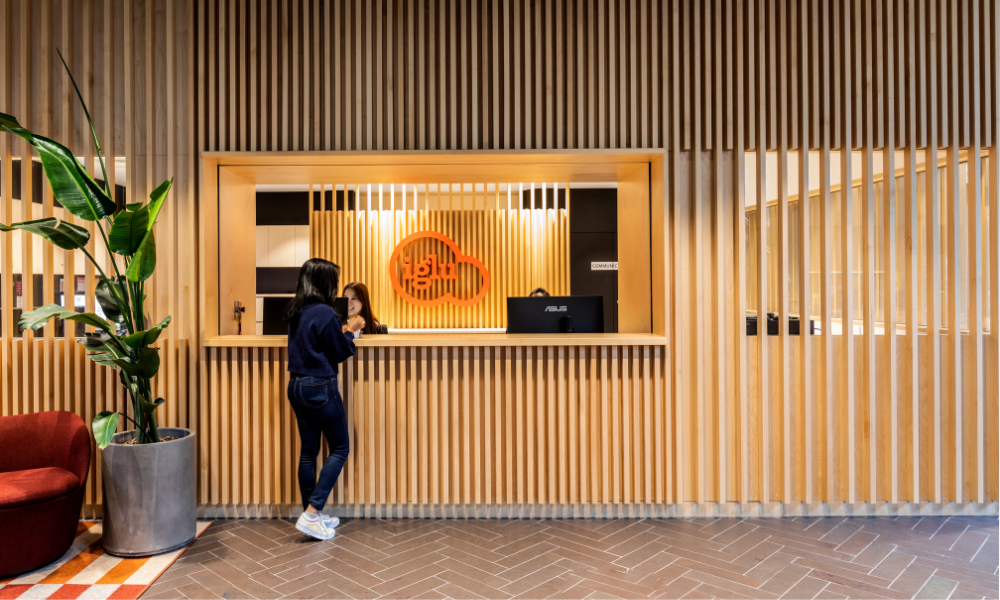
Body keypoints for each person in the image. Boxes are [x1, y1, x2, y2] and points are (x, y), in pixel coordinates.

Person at [284, 258, 364, 540]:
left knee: (309, 452)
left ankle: (311, 514)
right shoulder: (326, 313)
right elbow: (340, 351)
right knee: (340, 448)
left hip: (296, 386)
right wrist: (350, 331)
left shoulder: (297, 310)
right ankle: (312, 513)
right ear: (324, 282)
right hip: (319, 387)